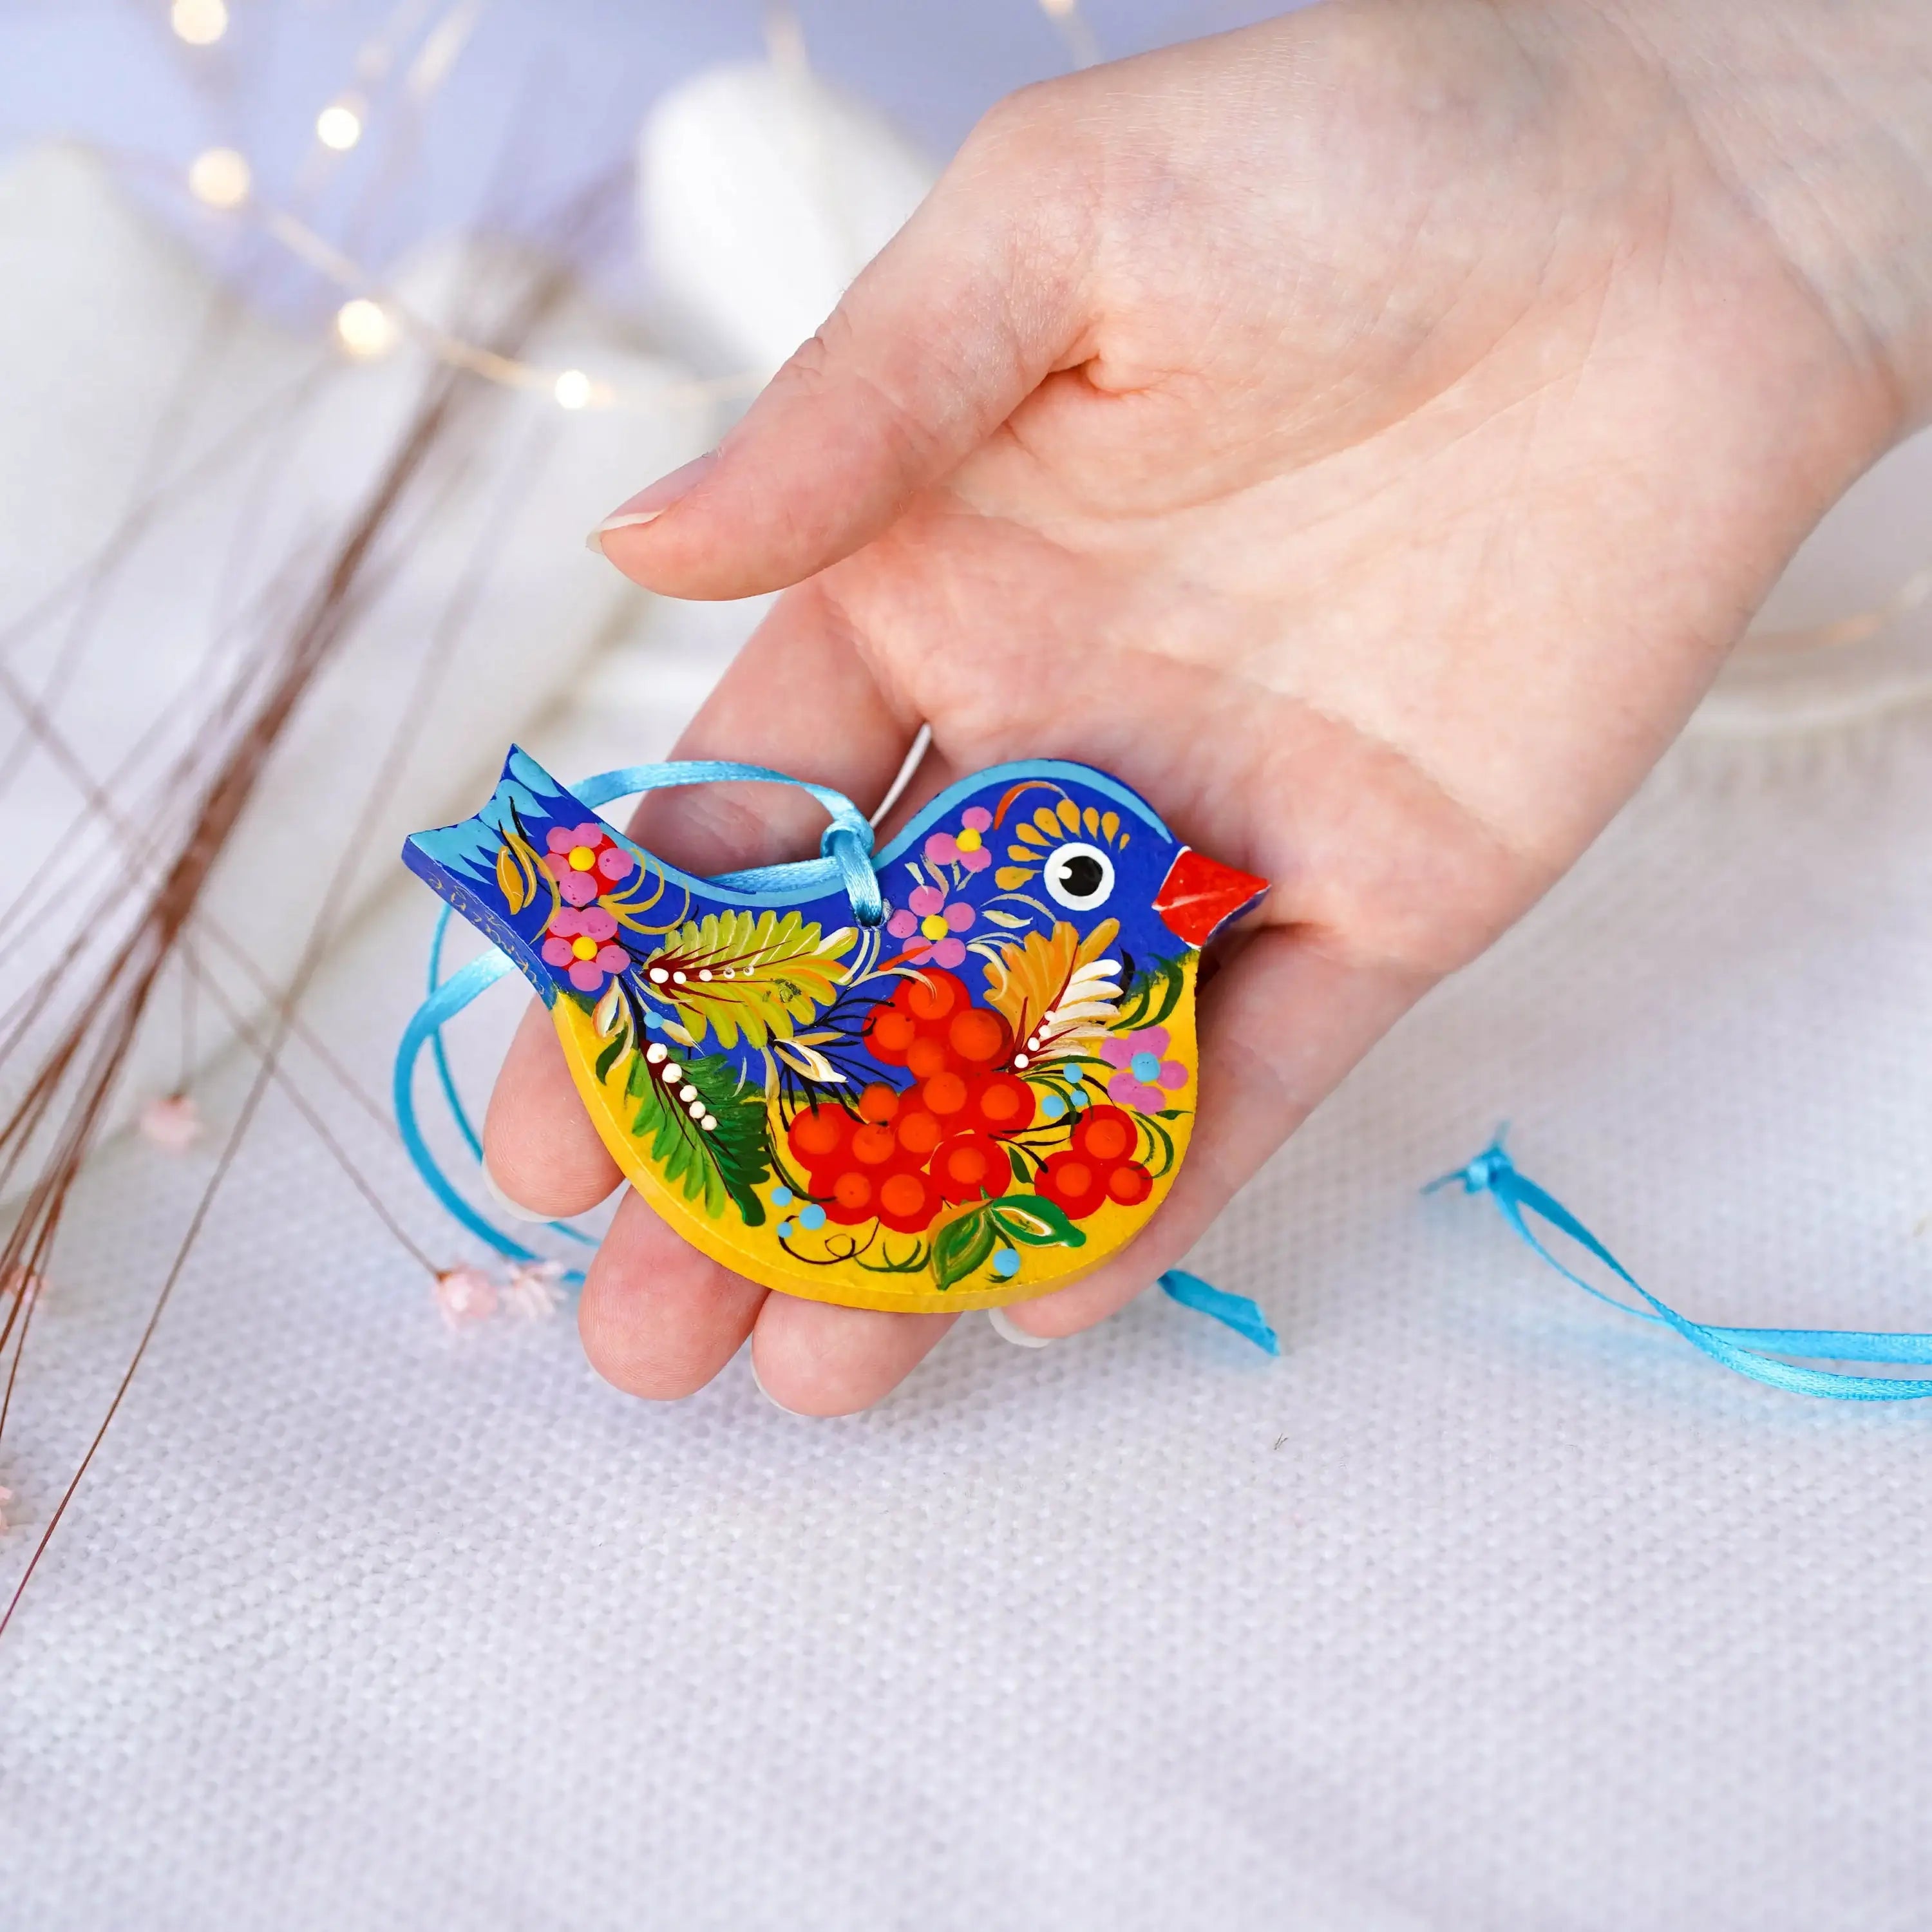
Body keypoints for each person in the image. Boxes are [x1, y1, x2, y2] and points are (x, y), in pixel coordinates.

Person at [482, 0, 1932, 1414]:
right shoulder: (919, 1037)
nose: (1183, 888)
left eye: (1101, 873)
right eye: (1091, 874)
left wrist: (1762, 122)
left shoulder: (1088, 1066)